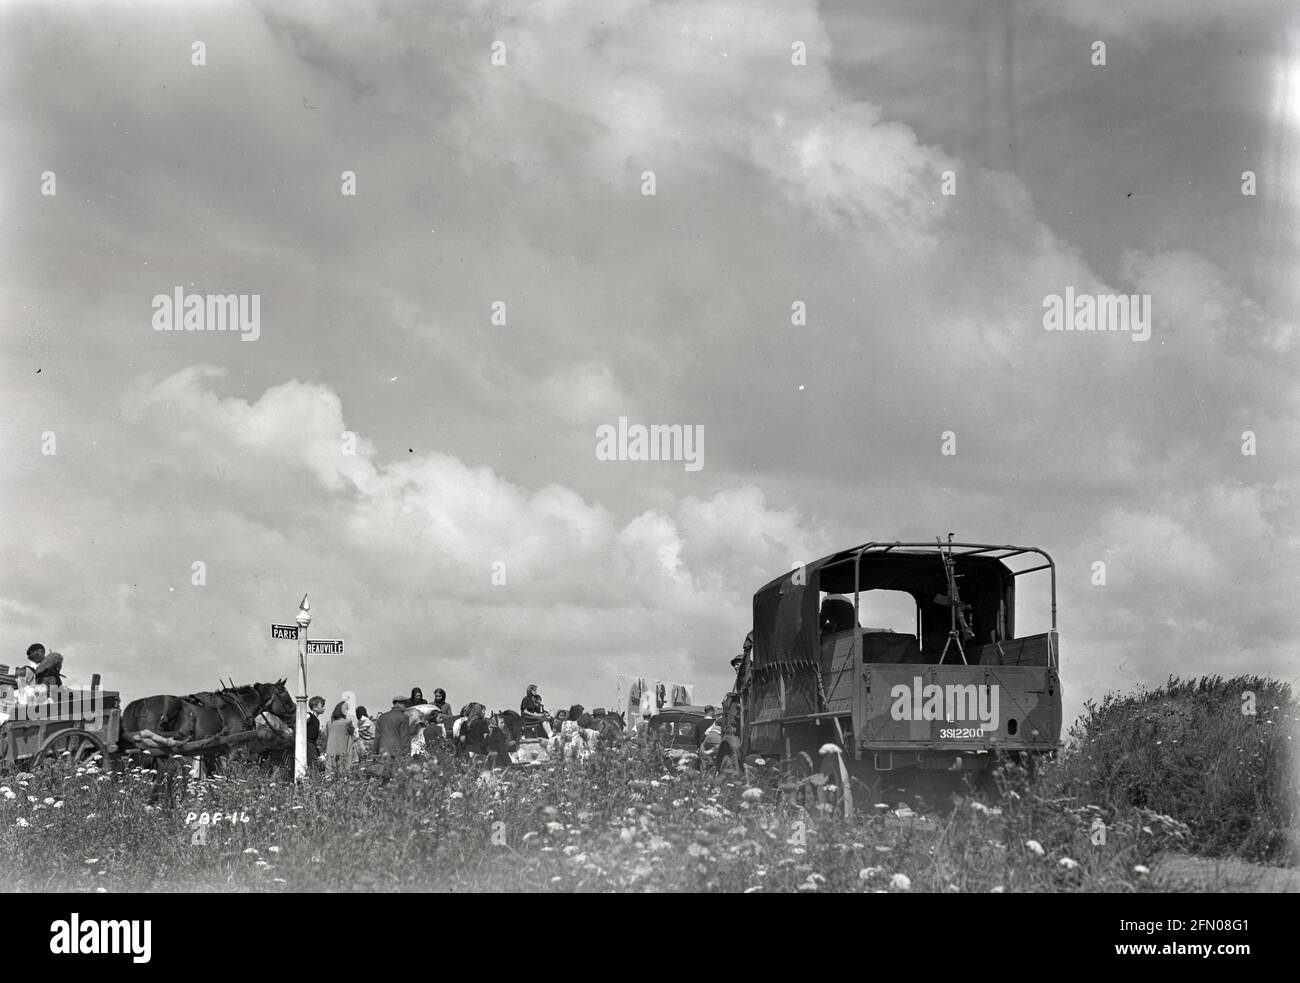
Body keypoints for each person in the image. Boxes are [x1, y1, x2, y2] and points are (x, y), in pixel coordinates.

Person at [324, 702, 356, 775]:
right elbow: (352, 733)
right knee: (342, 774)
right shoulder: (347, 722)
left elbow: (327, 735)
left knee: (330, 775)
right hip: (343, 751)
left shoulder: (329, 723)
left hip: (331, 752)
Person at [306, 696, 326, 768]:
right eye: (322, 705)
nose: (324, 708)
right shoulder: (308, 715)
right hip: (308, 744)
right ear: (314, 707)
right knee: (314, 765)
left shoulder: (316, 720)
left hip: (312, 744)